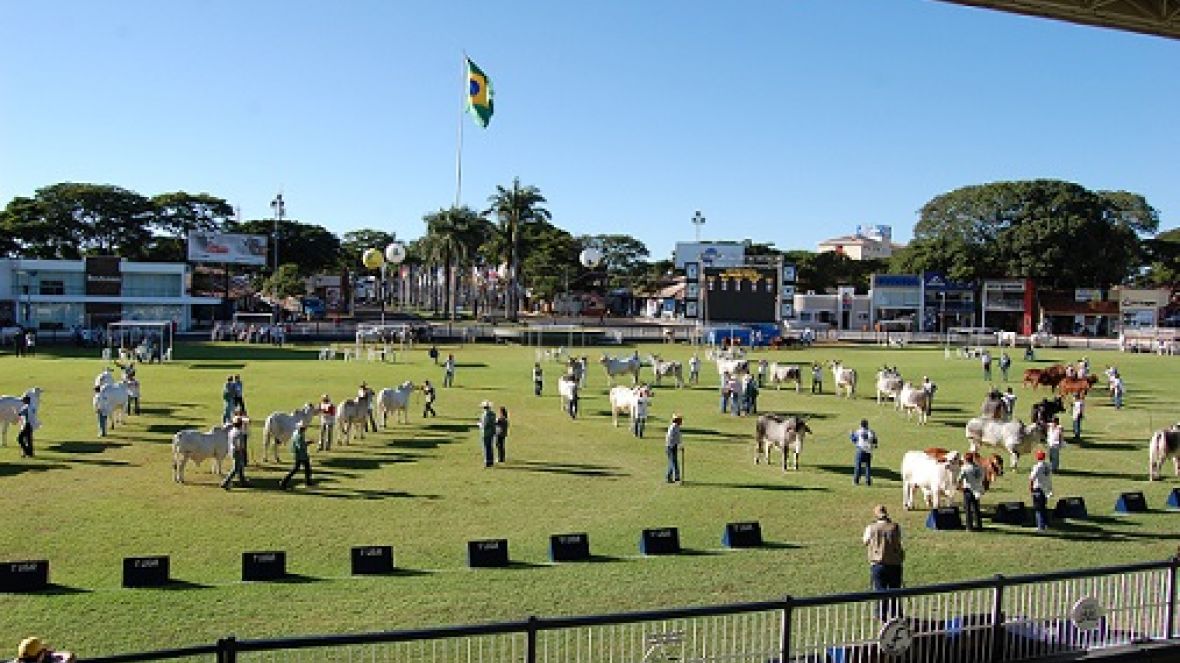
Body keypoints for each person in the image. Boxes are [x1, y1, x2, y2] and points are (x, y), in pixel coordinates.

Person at [863, 504, 904, 620]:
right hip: (895, 563)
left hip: (878, 563)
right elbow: (901, 540)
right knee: (895, 590)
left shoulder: (871, 528)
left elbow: (865, 541)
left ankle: (881, 614)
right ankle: (896, 614)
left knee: (880, 590)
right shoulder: (895, 527)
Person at [279, 421, 313, 490]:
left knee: (304, 468)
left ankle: (308, 482)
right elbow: (301, 446)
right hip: (301, 455)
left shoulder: (296, 433)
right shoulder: (299, 435)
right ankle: (283, 482)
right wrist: (308, 443)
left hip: (298, 454)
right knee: (299, 469)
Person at [220, 415, 250, 490]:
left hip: (232, 450)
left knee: (240, 467)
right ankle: (225, 482)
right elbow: (239, 444)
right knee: (236, 468)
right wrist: (242, 452)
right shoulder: (239, 433)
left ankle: (243, 481)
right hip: (237, 451)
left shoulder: (232, 431)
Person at [958, 453, 985, 531]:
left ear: (966, 460)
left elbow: (960, 479)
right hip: (977, 489)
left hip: (968, 490)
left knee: (968, 509)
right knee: (976, 508)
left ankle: (969, 527)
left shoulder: (965, 468)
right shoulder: (979, 467)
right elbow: (982, 478)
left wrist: (959, 487)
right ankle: (979, 525)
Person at [1029, 449, 1053, 531]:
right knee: (1043, 507)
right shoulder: (1048, 465)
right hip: (1045, 488)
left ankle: (1040, 526)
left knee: (1038, 509)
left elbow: (1032, 478)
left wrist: (1031, 489)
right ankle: (1046, 524)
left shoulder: (1037, 467)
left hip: (1038, 488)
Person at [850, 419, 877, 486]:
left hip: (860, 450)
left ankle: (856, 481)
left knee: (858, 466)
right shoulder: (871, 432)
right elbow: (875, 441)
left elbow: (854, 440)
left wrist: (851, 434)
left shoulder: (858, 432)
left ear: (861, 425)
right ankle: (868, 481)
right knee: (868, 467)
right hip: (868, 451)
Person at [665, 413, 683, 483]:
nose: (681, 421)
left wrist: (679, 445)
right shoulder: (674, 427)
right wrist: (678, 445)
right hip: (671, 447)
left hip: (673, 446)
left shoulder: (676, 427)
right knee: (672, 462)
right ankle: (668, 477)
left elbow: (678, 438)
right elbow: (670, 437)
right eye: (680, 420)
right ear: (677, 420)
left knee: (674, 462)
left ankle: (677, 477)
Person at [477, 401, 496, 467]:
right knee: (490, 447)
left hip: (485, 433)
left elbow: (485, 424)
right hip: (492, 432)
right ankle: (491, 460)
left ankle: (487, 461)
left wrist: (480, 425)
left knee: (486, 447)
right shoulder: (493, 414)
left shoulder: (485, 415)